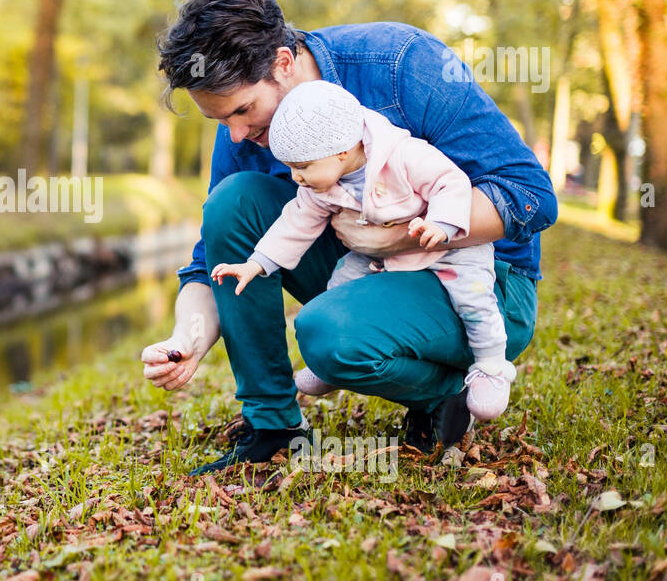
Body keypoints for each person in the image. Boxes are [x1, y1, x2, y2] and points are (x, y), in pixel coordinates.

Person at [138, 0, 556, 476]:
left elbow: (532, 196)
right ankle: (272, 426)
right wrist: (185, 340)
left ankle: (450, 394)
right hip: (367, 268)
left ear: (283, 63)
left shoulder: (402, 65)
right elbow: (211, 264)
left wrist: (400, 235)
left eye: (242, 110)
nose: (235, 135)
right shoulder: (245, 133)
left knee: (328, 336)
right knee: (234, 201)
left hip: (481, 280)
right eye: (219, 120)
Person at [207, 79, 516, 425]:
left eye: (302, 167)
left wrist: (441, 224)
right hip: (381, 255)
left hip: (447, 249)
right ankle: (328, 363)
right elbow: (295, 222)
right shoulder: (321, 182)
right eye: (292, 167)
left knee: (473, 299)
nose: (296, 178)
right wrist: (257, 263)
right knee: (340, 283)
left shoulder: (402, 155)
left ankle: (491, 366)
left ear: (341, 150)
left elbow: (450, 181)